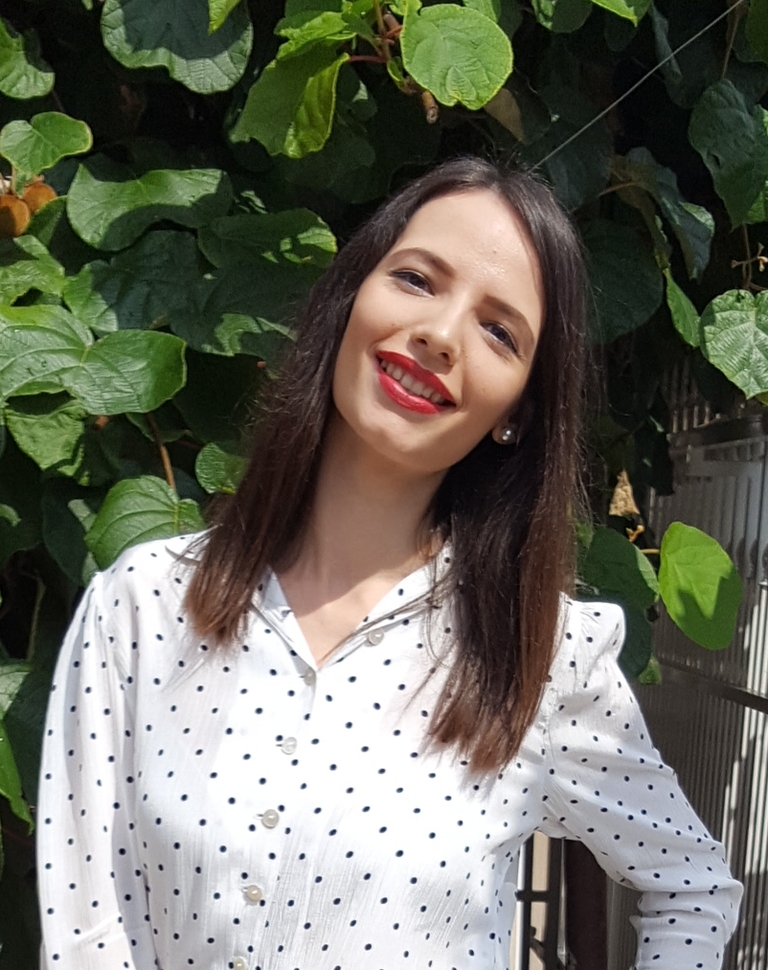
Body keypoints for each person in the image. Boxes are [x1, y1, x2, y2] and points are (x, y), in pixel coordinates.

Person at [36, 157, 741, 970]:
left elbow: (691, 886)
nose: (440, 334)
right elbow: (84, 930)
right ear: (349, 298)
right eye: (415, 279)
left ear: (517, 412)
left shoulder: (541, 657)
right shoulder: (144, 605)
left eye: (499, 331)